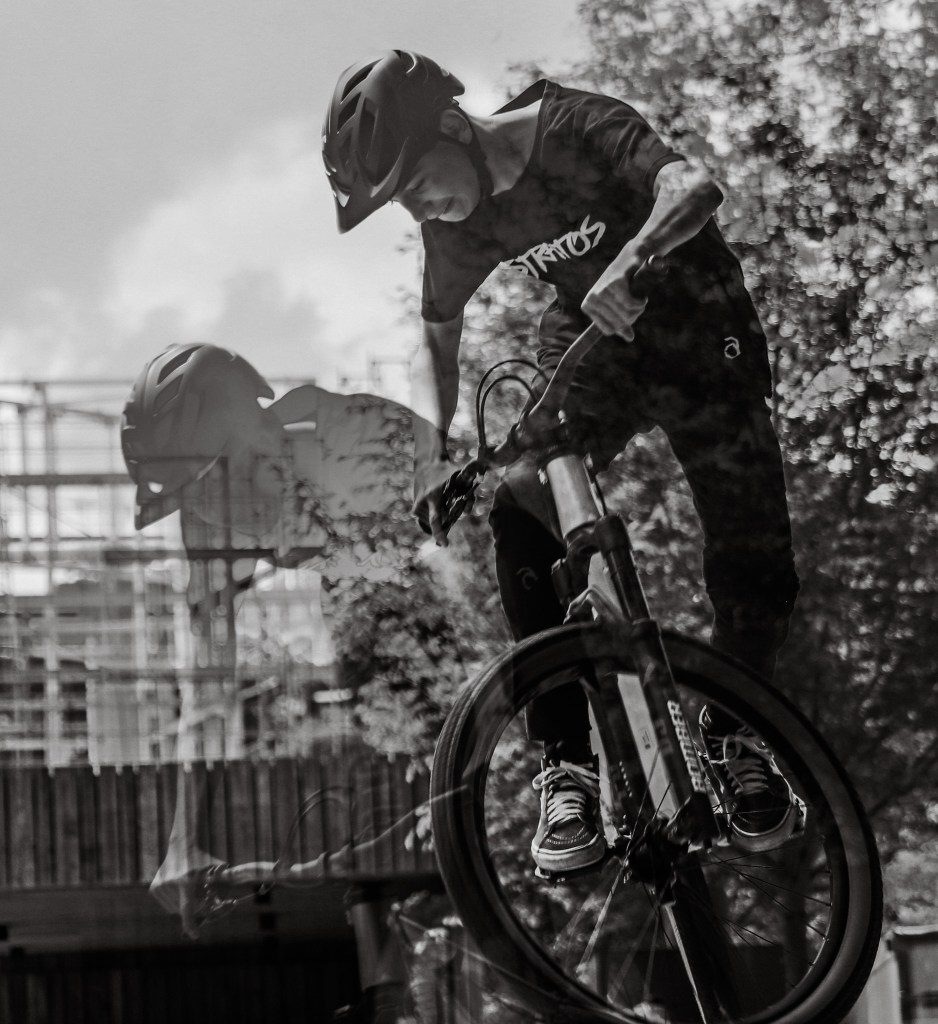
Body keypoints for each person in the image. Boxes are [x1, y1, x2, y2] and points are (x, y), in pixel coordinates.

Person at [323, 50, 801, 875]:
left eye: (413, 186)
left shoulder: (577, 126)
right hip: (594, 350)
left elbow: (694, 188)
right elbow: (436, 341)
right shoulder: (456, 227)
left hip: (698, 329)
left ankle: (736, 741)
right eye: (402, 203)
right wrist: (431, 452)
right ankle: (568, 766)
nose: (418, 211)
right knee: (518, 496)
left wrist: (633, 258)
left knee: (756, 557)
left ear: (451, 126)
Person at [121, 342, 429, 1022]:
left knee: (369, 610)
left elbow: (464, 559)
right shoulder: (208, 519)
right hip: (371, 608)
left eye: (206, 486)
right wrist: (182, 839)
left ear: (255, 435)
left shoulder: (354, 435)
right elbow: (207, 684)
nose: (209, 515)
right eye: (188, 498)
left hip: (451, 580)